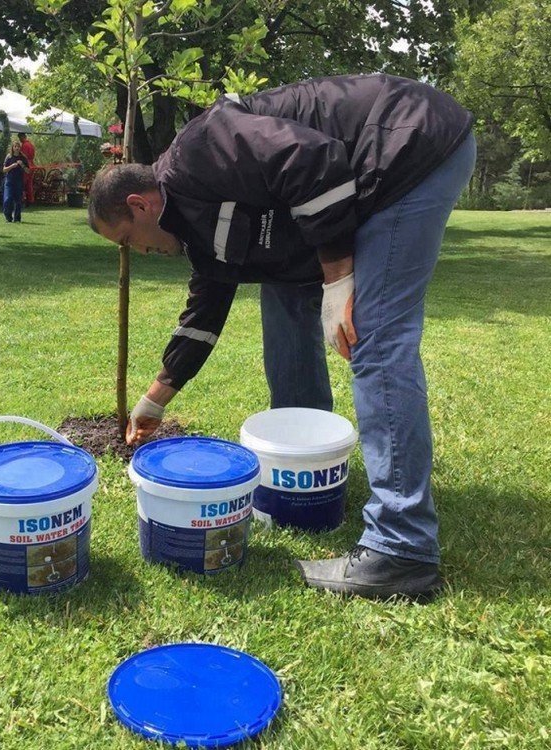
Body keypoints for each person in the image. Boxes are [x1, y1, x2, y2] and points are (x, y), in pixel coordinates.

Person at [87, 74, 476, 601]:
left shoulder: (199, 151)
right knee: (284, 299)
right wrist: (154, 399)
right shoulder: (196, 233)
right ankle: (309, 464)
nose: (141, 252)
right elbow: (205, 310)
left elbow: (312, 160)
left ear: (139, 204)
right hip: (376, 166)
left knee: (375, 338)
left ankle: (401, 548)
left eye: (130, 240)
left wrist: (338, 276)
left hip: (404, 147)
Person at [2, 141, 29, 223]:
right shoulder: (9, 157)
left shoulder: (23, 158)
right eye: (15, 146)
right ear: (12, 148)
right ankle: (8, 217)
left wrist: (22, 165)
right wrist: (12, 166)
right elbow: (4, 169)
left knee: (18, 201)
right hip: (9, 181)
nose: (17, 148)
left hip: (19, 181)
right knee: (7, 199)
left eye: (18, 147)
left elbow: (28, 171)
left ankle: (17, 218)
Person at [18, 132, 36, 205]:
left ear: (22, 137)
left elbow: (24, 157)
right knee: (29, 184)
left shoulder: (25, 145)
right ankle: (30, 200)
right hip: (32, 165)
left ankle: (23, 199)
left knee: (23, 183)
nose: (20, 140)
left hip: (26, 165)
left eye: (20, 138)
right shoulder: (31, 145)